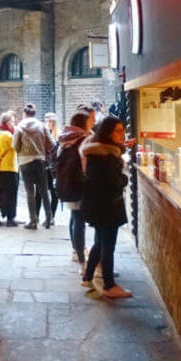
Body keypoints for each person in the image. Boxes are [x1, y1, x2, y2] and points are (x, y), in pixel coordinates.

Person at [80, 115, 133, 300]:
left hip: (98, 205)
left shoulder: (99, 151)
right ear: (108, 133)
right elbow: (114, 183)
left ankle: (87, 277)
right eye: (117, 131)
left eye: (122, 130)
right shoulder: (107, 156)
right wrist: (125, 176)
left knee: (100, 242)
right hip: (108, 206)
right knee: (108, 245)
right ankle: (109, 285)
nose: (121, 134)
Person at [54, 110, 95, 270]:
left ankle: (75, 251)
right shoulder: (83, 140)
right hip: (79, 184)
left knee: (74, 218)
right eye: (90, 121)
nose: (92, 123)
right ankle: (82, 262)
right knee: (79, 221)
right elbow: (87, 165)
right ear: (83, 123)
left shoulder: (65, 137)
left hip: (65, 184)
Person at [12, 104, 54, 230]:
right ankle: (48, 219)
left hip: (25, 162)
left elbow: (15, 146)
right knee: (44, 191)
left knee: (30, 192)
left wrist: (23, 152)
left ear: (25, 114)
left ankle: (33, 221)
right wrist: (42, 150)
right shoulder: (42, 126)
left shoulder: (19, 127)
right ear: (34, 114)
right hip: (40, 161)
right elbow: (51, 143)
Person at [0, 113, 19, 226]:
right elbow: (17, 148)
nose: (14, 124)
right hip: (9, 168)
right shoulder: (8, 136)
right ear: (7, 122)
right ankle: (10, 218)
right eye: (12, 122)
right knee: (11, 195)